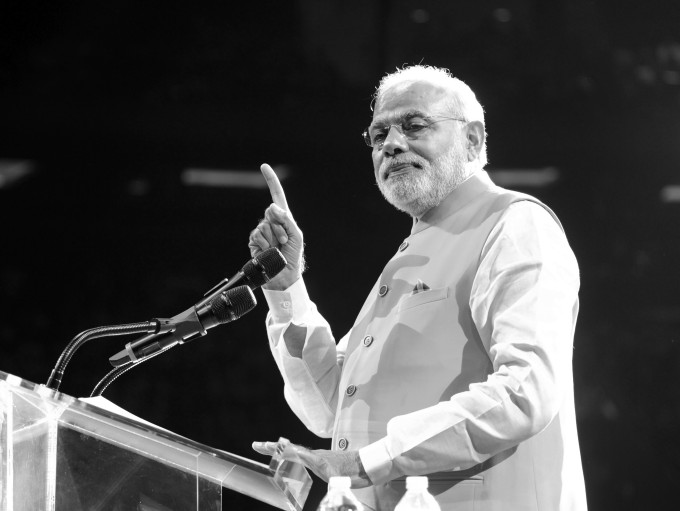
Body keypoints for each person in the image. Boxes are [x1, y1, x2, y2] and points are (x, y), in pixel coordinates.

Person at [248, 65, 587, 511]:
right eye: (378, 135)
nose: (390, 144)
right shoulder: (407, 260)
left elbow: (526, 390)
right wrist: (286, 287)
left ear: (472, 139)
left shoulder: (515, 223)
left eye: (413, 125)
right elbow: (331, 408)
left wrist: (367, 462)